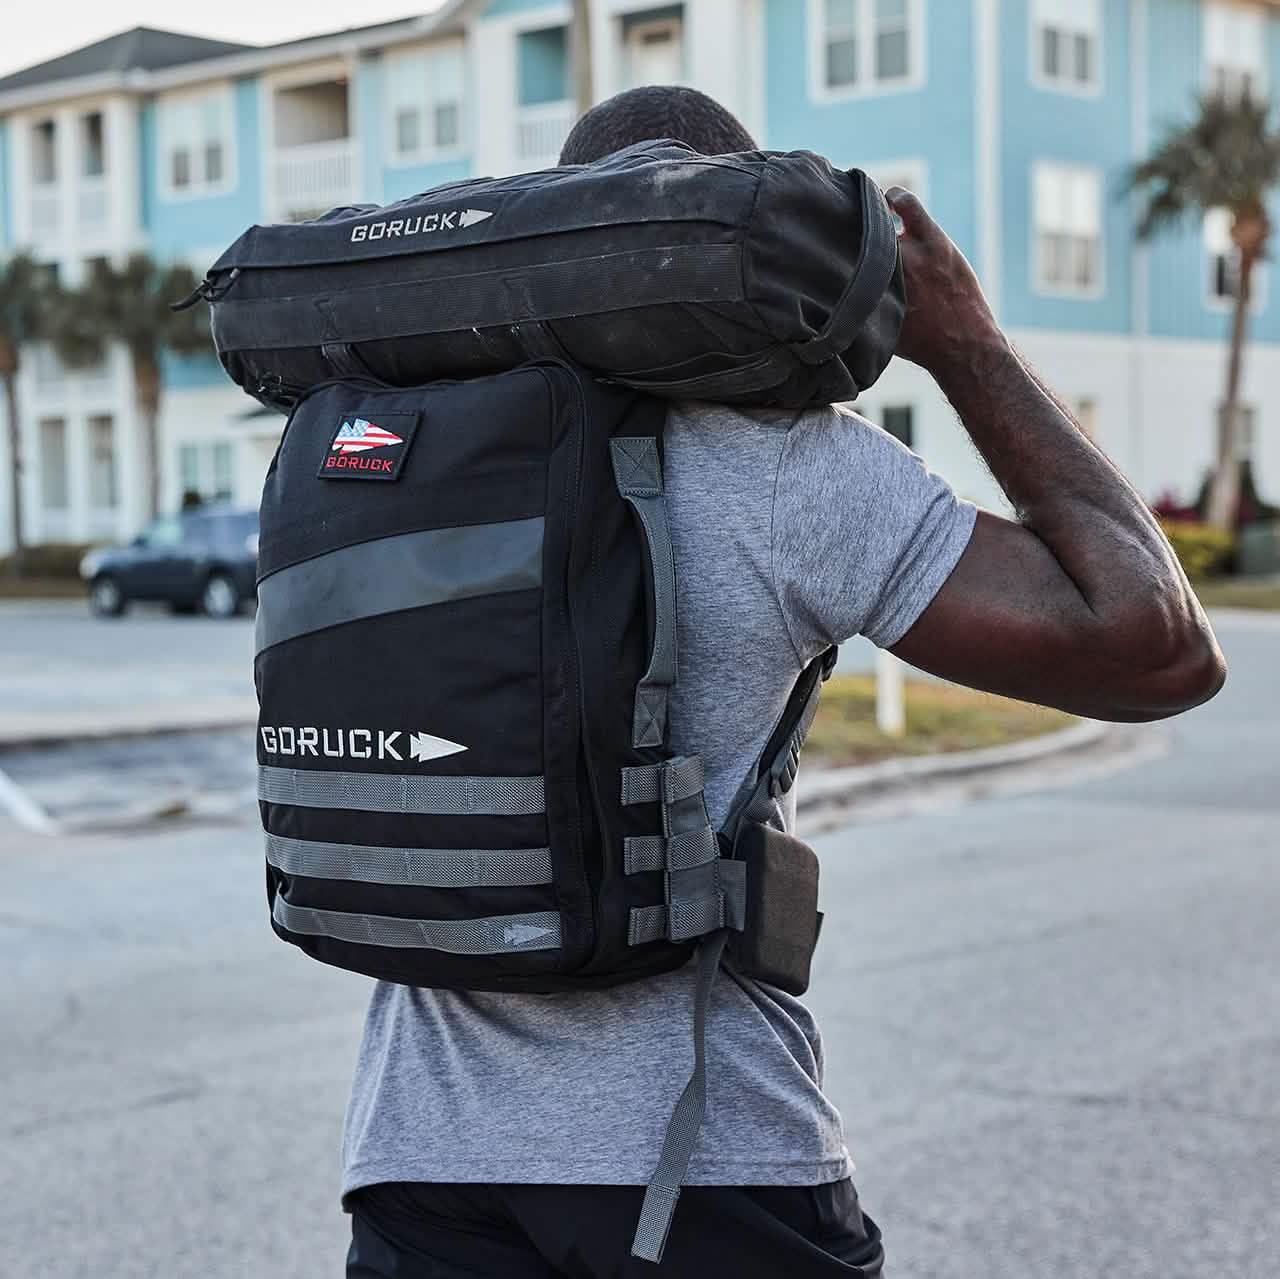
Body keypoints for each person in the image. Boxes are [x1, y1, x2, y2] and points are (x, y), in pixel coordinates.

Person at [342, 87, 1225, 1277]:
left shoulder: (394, 457)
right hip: (702, 1166)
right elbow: (1155, 647)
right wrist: (964, 342)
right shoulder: (788, 472)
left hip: (416, 1158)